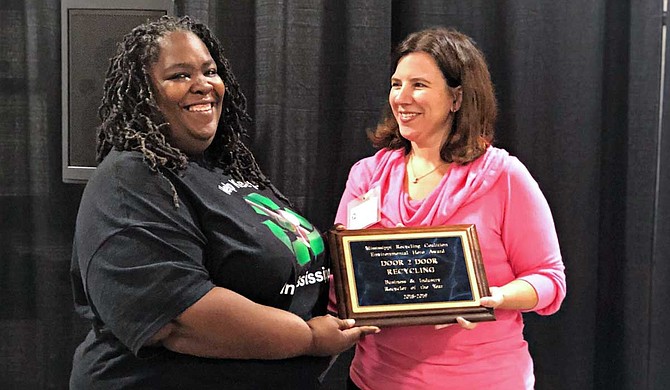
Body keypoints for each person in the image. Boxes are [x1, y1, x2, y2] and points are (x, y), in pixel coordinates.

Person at [69, 15, 378, 389]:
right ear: (144, 93)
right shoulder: (129, 181)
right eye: (179, 75)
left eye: (209, 71)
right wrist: (309, 339)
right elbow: (180, 320)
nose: (202, 85)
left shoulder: (222, 168)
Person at [332, 27, 567, 389]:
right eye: (396, 84)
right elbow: (343, 275)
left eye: (419, 85)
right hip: (374, 380)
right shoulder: (367, 175)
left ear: (457, 98)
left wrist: (495, 297)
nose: (402, 98)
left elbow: (549, 280)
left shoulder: (503, 176)